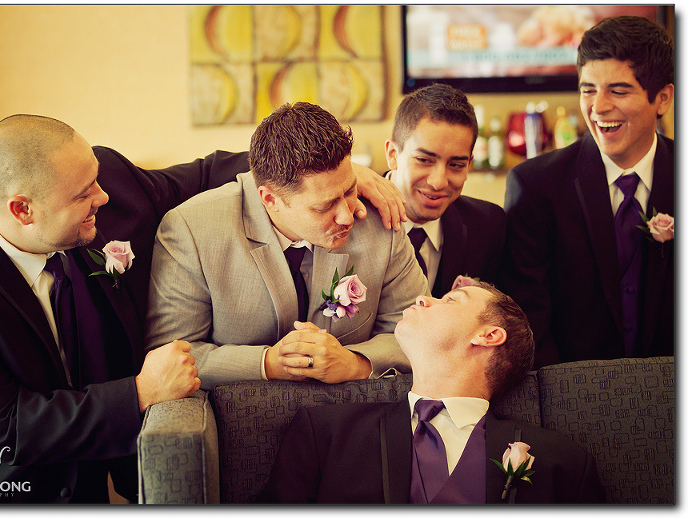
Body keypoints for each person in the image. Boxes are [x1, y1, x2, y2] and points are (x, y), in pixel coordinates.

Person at [0, 113, 407, 504]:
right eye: (84, 195)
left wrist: (334, 178)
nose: (104, 197)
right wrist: (139, 392)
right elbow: (5, 429)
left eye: (95, 179)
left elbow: (212, 172)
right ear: (23, 211)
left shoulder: (107, 185)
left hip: (97, 473)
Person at [146, 102, 429, 390]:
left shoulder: (381, 222)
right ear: (270, 200)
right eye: (324, 206)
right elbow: (169, 357)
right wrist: (268, 364)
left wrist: (355, 363)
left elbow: (423, 334)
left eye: (350, 190)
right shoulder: (192, 231)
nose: (347, 216)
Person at [261, 282, 606, 504]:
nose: (423, 298)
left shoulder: (562, 462)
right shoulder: (324, 432)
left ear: (488, 336)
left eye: (451, 299)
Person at [499, 16, 674, 368]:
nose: (599, 107)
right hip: (570, 390)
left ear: (662, 99)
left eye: (618, 91)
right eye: (588, 89)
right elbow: (528, 323)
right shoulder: (535, 186)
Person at [385, 83, 505, 296]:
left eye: (456, 165)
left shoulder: (487, 226)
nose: (439, 182)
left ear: (469, 165)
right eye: (424, 160)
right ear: (393, 155)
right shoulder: (349, 219)